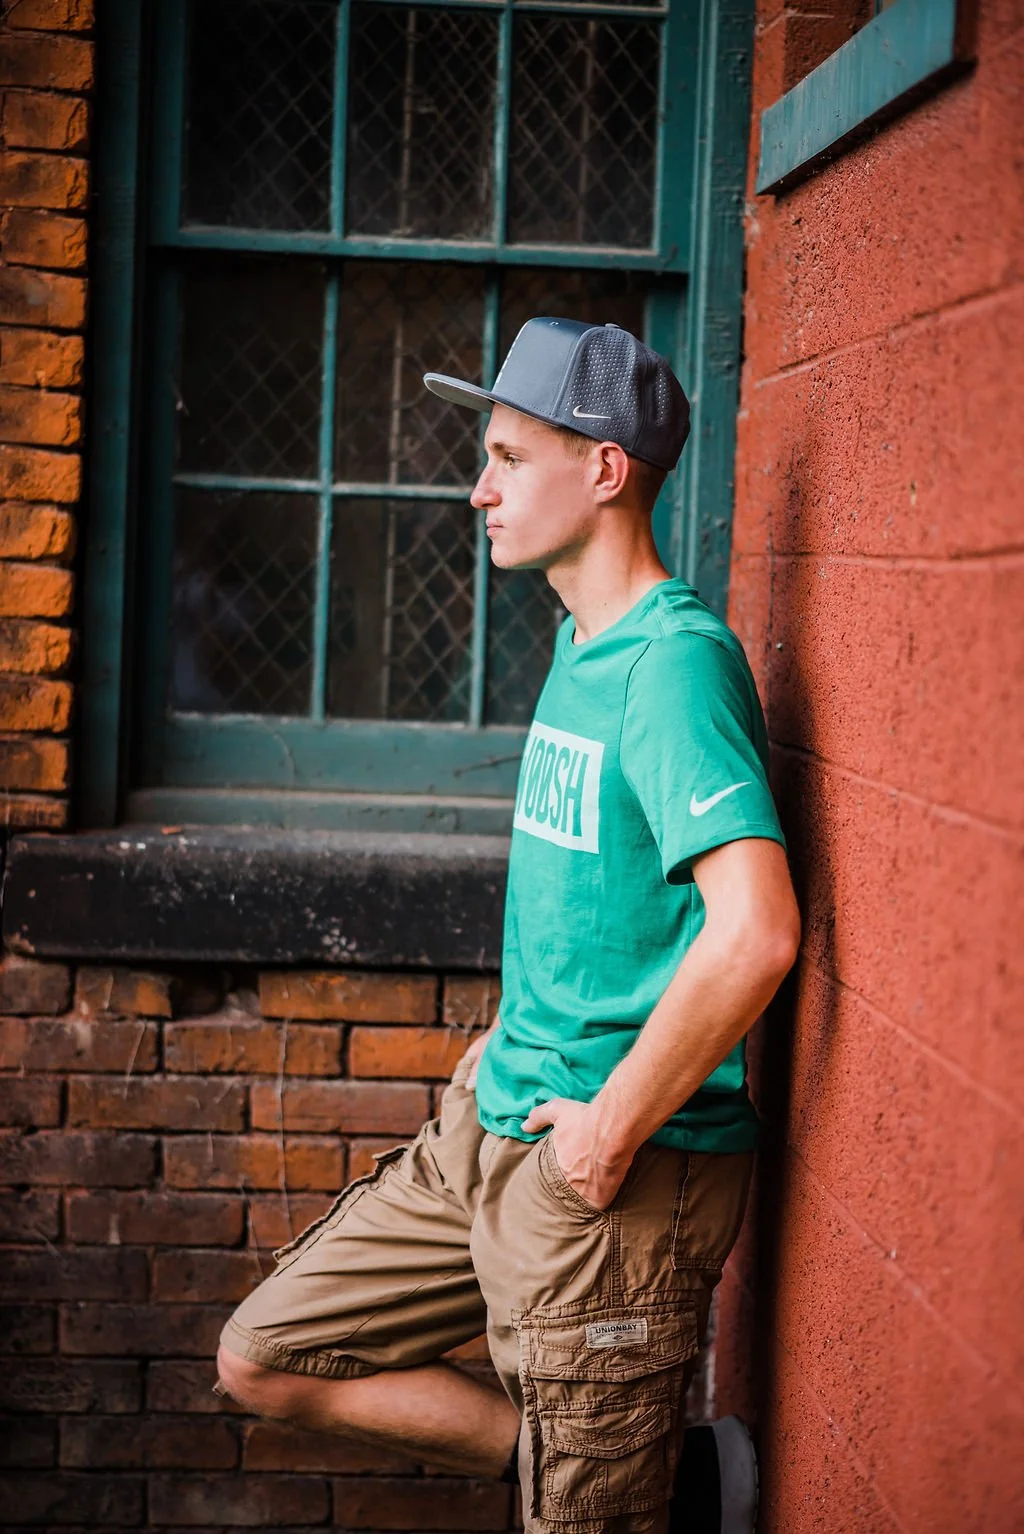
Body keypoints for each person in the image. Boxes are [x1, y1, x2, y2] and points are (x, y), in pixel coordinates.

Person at [216, 318, 801, 1534]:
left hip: (609, 1173)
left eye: (508, 457)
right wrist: (503, 1028)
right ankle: (665, 1473)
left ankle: (626, 1475)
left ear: (603, 470)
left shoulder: (672, 667)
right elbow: (596, 892)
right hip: (490, 1131)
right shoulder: (582, 638)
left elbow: (755, 930)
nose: (477, 488)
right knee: (265, 1354)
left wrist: (605, 1134)